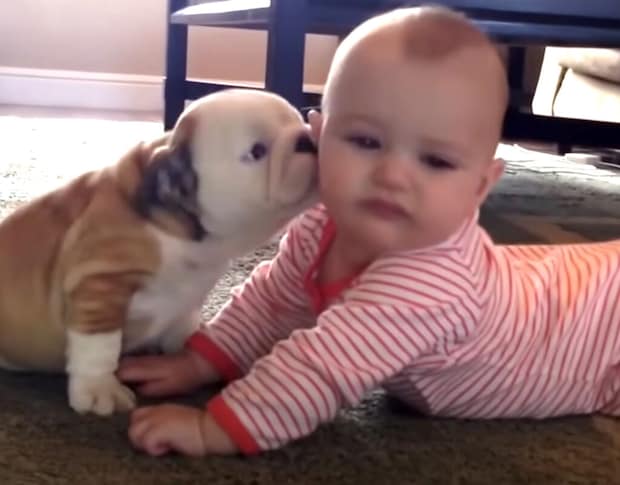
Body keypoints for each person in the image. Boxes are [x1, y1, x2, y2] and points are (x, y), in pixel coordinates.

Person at [118, 5, 620, 457]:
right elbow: (273, 300)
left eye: (436, 161)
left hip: (599, 343)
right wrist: (205, 360)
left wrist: (217, 428)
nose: (393, 175)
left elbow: (322, 365)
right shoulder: (321, 222)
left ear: (480, 185)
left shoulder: (431, 282)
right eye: (365, 141)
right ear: (318, 136)